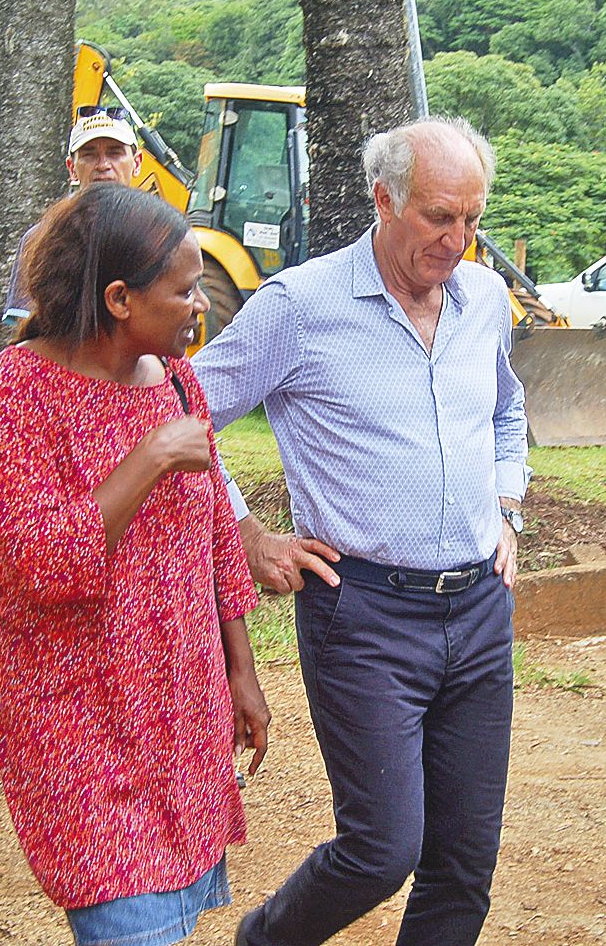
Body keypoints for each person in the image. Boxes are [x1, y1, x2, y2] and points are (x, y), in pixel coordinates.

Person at [193, 117, 529, 946]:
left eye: (471, 218)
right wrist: (245, 533)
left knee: (463, 862)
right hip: (364, 611)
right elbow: (182, 415)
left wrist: (508, 506)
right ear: (383, 199)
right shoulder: (299, 306)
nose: (457, 238)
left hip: (478, 608)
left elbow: (506, 409)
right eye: (438, 216)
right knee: (382, 848)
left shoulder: (485, 299)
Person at [0, 183, 269, 946]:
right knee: (129, 922)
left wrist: (241, 672)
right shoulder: (12, 391)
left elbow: (216, 541)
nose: (199, 304)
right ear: (120, 299)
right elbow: (41, 563)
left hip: (183, 710)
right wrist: (151, 453)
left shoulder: (179, 382)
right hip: (79, 722)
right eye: (184, 289)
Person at [2, 106, 143, 325]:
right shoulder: (41, 240)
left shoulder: (160, 235)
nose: (103, 165)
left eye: (115, 153)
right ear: (71, 168)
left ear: (137, 162)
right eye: (89, 155)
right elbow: (26, 326)